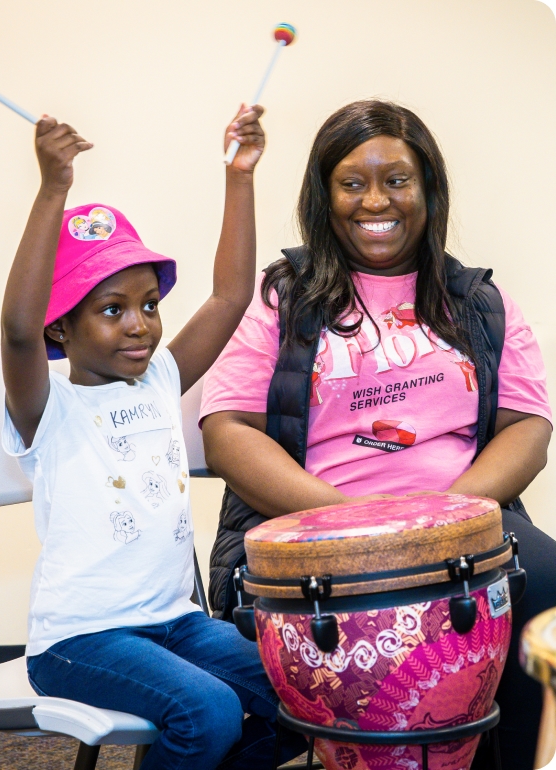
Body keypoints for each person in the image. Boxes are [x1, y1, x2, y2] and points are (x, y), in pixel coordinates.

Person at [199, 100, 554, 770]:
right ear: (324, 196)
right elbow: (227, 430)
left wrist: (441, 523)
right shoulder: (284, 297)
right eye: (352, 183)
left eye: (396, 180)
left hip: (461, 522)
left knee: (548, 578)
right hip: (314, 528)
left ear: (428, 189)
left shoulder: (479, 302)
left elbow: (527, 427)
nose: (375, 201)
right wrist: (356, 528)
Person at [0, 107, 306, 769]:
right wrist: (53, 188)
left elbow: (229, 297)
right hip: (80, 642)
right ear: (61, 327)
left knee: (310, 691)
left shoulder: (159, 378)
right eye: (112, 310)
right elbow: (18, 332)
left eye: (148, 304)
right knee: (208, 711)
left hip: (176, 623)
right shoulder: (49, 407)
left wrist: (240, 177)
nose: (140, 324)